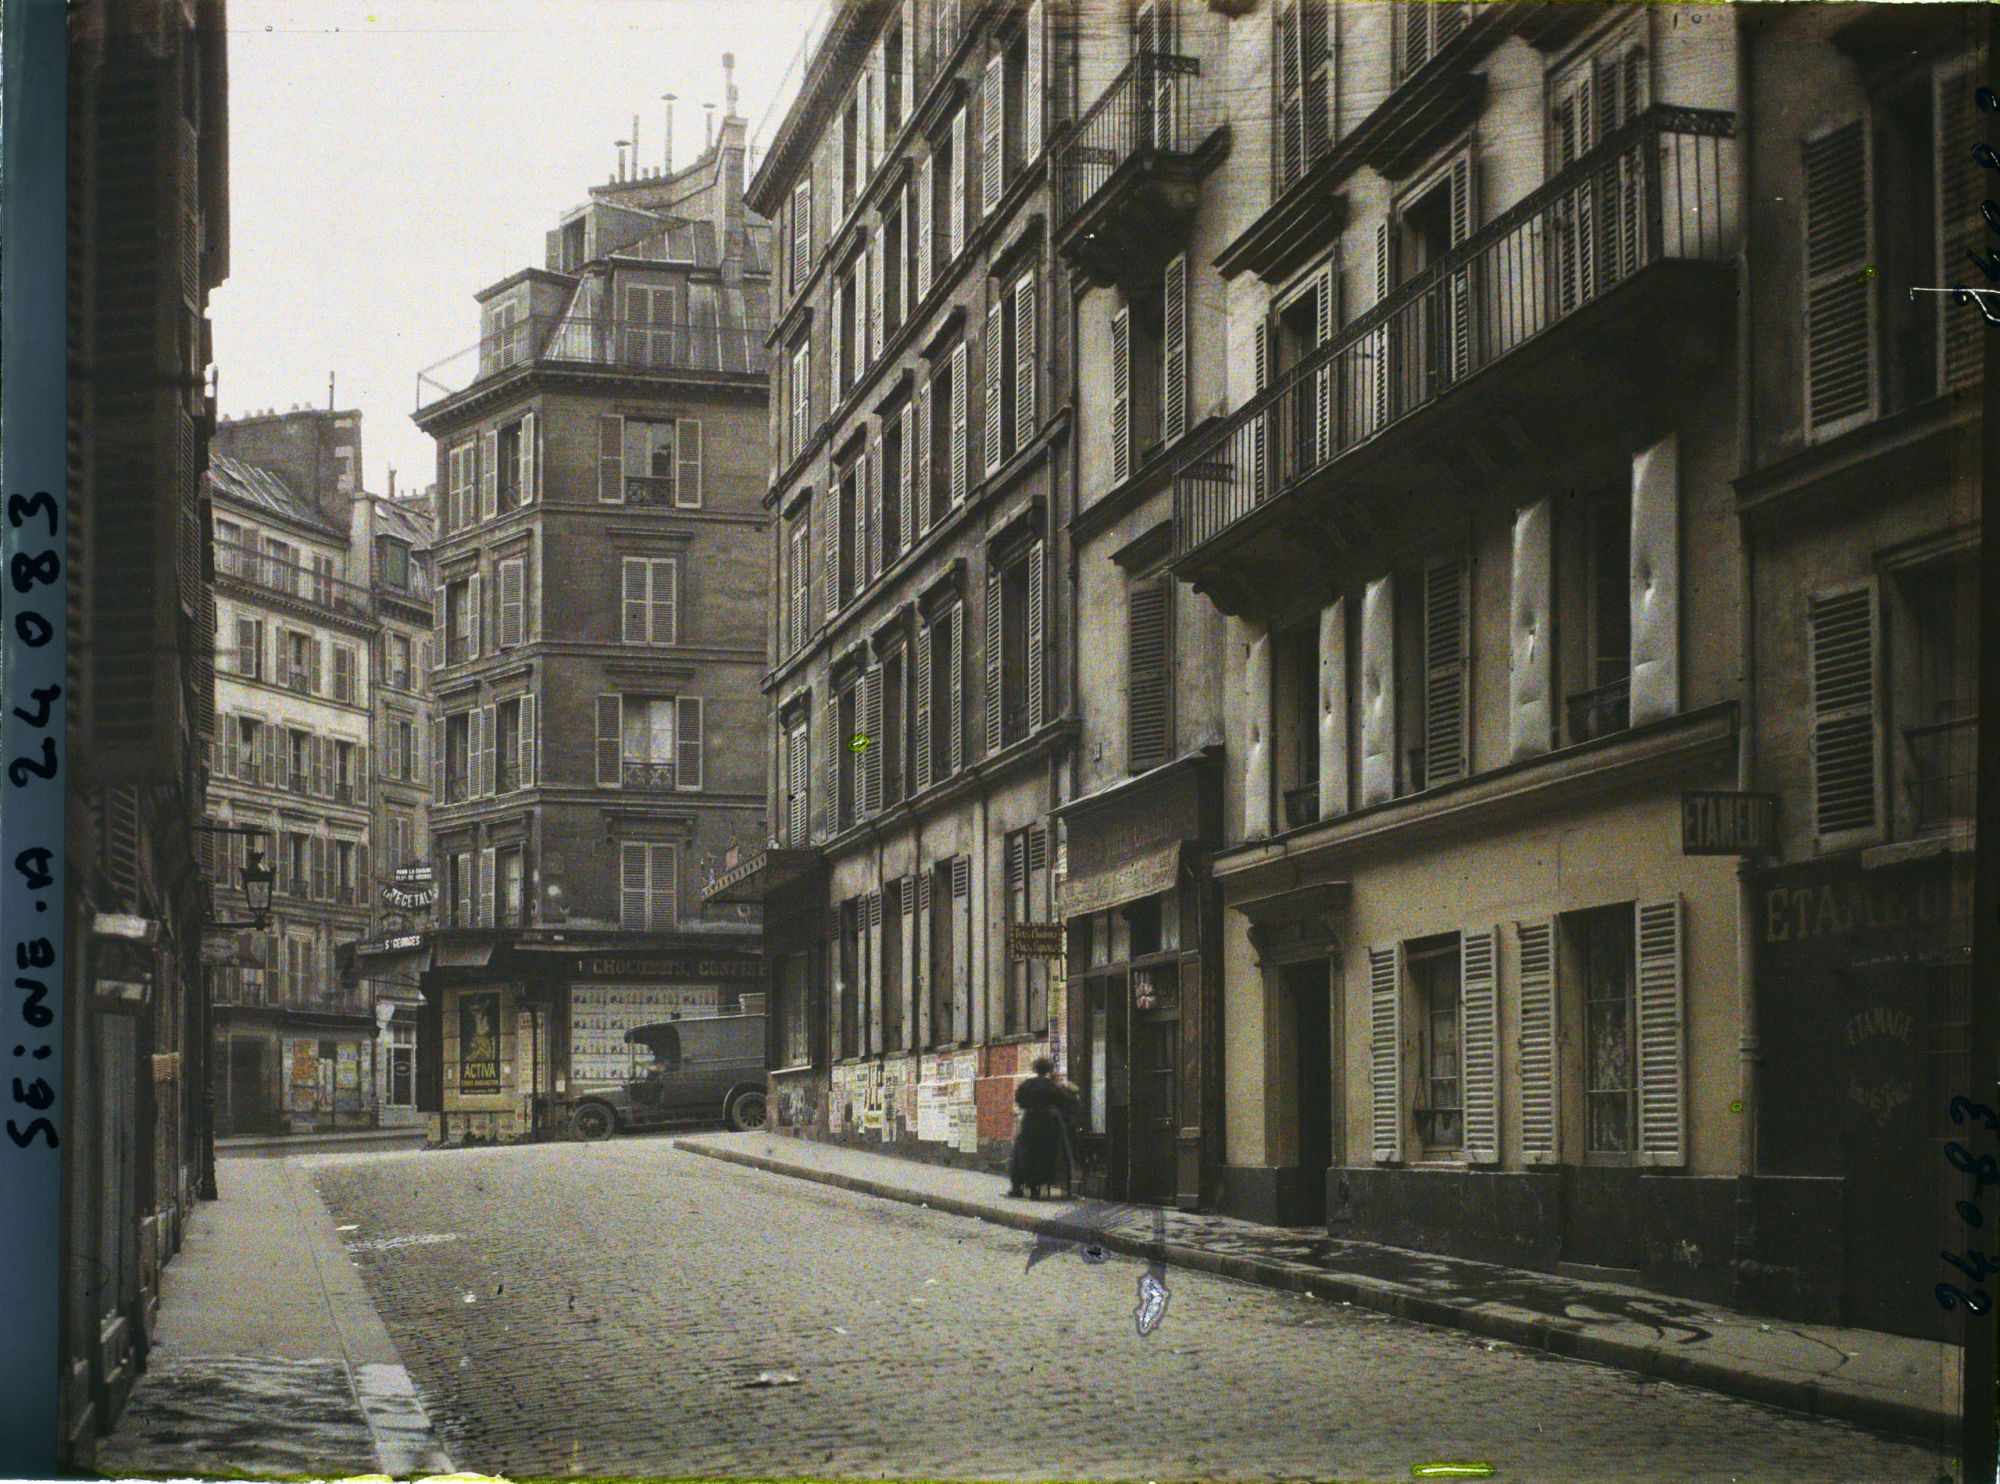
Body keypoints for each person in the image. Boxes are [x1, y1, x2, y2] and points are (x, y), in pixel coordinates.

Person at [1008, 1057, 1068, 1199]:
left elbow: (1019, 1100)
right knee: (1044, 1155)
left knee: (1022, 1154)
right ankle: (1038, 1188)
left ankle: (1019, 1186)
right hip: (1047, 1124)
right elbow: (1063, 1101)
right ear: (1048, 1070)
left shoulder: (1027, 1085)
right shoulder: (1052, 1086)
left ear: (1035, 1069)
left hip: (1029, 1122)